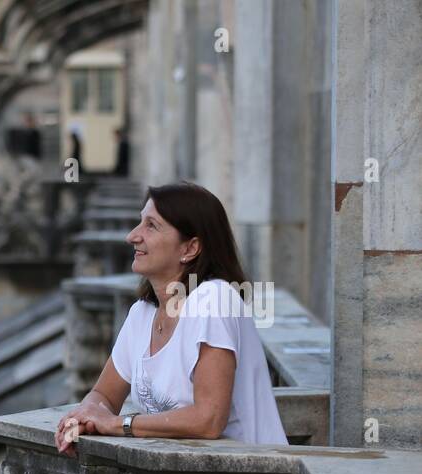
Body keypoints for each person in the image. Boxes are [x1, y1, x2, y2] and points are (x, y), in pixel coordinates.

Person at [54, 180, 288, 455]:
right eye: (140, 222)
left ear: (190, 248)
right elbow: (105, 395)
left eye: (151, 226)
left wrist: (118, 424)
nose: (132, 236)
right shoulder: (142, 314)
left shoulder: (215, 299)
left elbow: (209, 420)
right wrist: (85, 414)